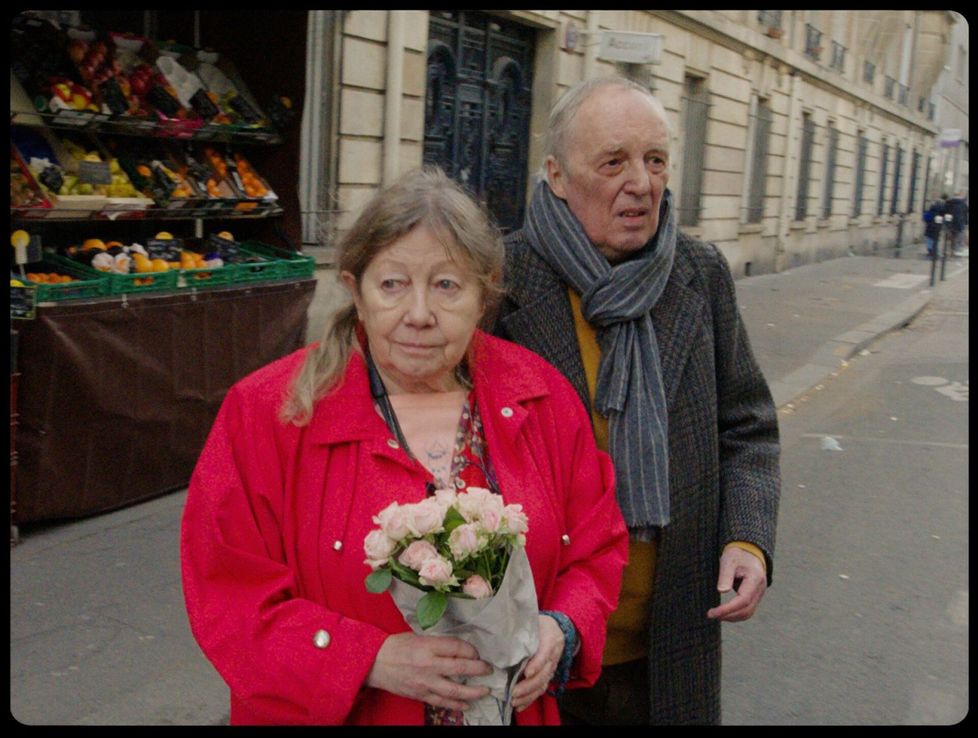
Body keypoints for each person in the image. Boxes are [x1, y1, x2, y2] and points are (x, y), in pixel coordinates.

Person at [180, 167, 628, 725]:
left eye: (447, 285)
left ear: (483, 294)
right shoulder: (269, 412)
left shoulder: (541, 398)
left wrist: (560, 627)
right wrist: (367, 658)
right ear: (356, 290)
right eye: (392, 284)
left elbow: (597, 546)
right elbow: (227, 596)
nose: (419, 315)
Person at [493, 76, 781, 725]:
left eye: (655, 160)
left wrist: (747, 538)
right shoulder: (497, 281)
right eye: (614, 161)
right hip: (532, 646)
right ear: (558, 175)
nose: (643, 182)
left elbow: (748, 425)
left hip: (671, 636)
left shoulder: (698, 275)